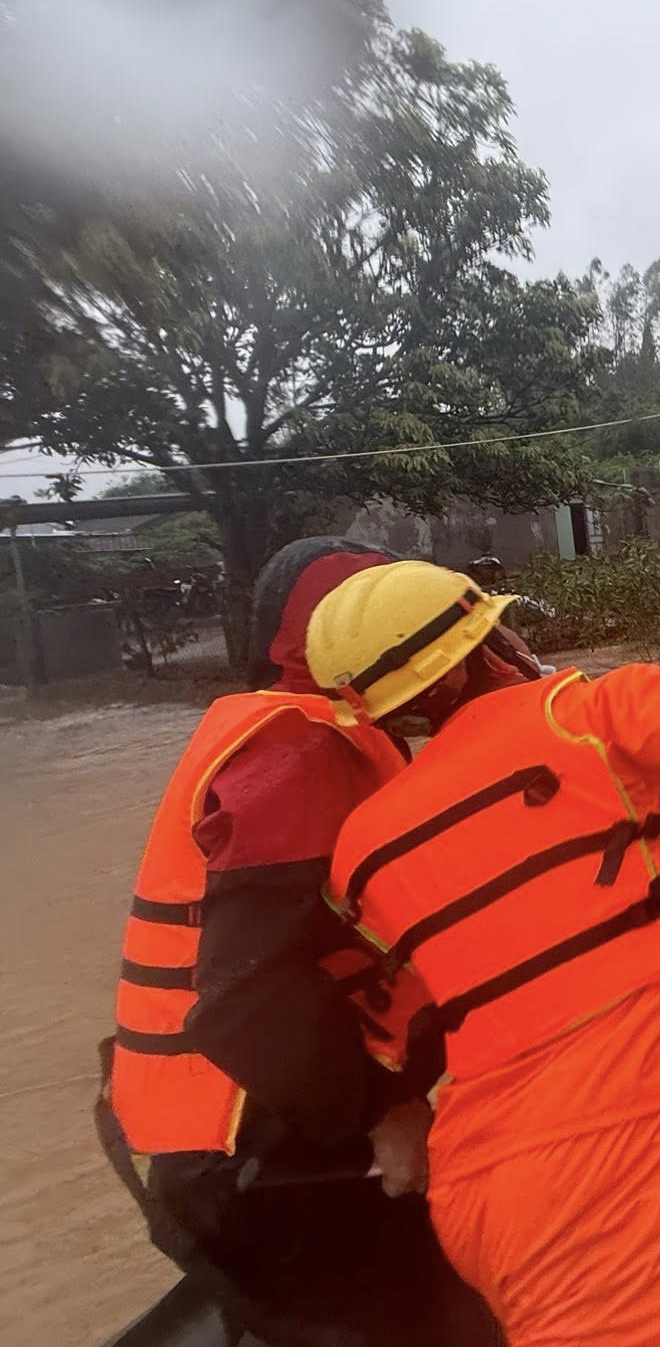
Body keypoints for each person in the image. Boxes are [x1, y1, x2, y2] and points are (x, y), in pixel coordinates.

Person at [306, 560, 660, 1347]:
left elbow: (380, 1005)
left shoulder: (362, 846)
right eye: (502, 626)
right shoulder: (579, 715)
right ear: (480, 652)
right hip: (608, 1171)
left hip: (473, 1176)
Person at [97, 537, 499, 1346]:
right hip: (257, 1152)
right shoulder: (299, 752)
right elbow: (246, 997)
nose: (452, 668)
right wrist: (383, 1114)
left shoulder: (325, 735)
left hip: (284, 1123)